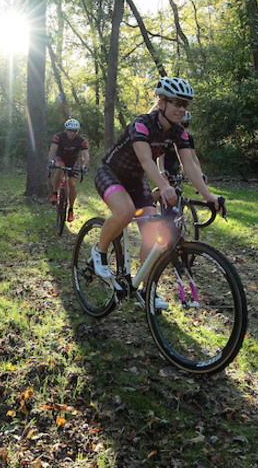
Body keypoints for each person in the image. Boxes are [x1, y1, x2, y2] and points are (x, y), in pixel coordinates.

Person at [92, 77, 219, 306]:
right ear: (161, 102)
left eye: (185, 105)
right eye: (176, 103)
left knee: (152, 234)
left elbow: (189, 165)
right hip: (110, 172)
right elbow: (145, 160)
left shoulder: (178, 132)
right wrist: (164, 185)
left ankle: (145, 286)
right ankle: (99, 252)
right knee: (125, 212)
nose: (181, 109)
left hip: (135, 180)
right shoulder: (142, 124)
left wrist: (209, 196)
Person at [46, 118, 89, 222]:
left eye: (75, 131)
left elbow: (85, 155)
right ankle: (54, 193)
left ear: (77, 131)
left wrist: (84, 165)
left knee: (72, 184)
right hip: (60, 158)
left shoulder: (81, 140)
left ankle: (70, 209)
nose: (72, 133)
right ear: (66, 130)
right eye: (70, 130)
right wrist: (51, 161)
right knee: (60, 169)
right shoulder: (59, 137)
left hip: (72, 161)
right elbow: (52, 150)